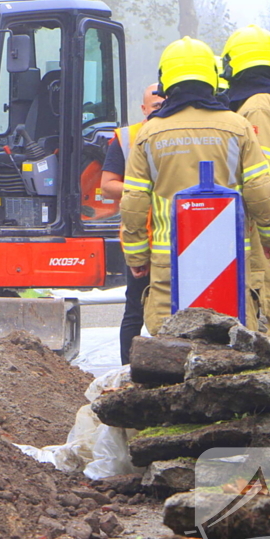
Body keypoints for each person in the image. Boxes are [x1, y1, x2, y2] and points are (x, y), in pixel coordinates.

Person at [120, 36, 270, 335]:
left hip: (170, 259)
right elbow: (261, 189)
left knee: (172, 345)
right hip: (230, 256)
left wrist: (137, 256)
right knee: (232, 344)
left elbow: (133, 201)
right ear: (213, 77)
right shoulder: (238, 127)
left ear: (165, 80)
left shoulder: (149, 133)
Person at [221, 24, 270, 340]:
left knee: (267, 290)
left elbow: (266, 171)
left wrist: (261, 216)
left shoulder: (257, 105)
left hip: (265, 218)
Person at [100, 83, 162, 364]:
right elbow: (107, 186)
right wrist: (141, 189)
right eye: (155, 106)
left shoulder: (176, 134)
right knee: (134, 309)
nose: (160, 110)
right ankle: (127, 371)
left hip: (172, 237)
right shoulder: (126, 138)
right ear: (144, 109)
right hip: (141, 236)